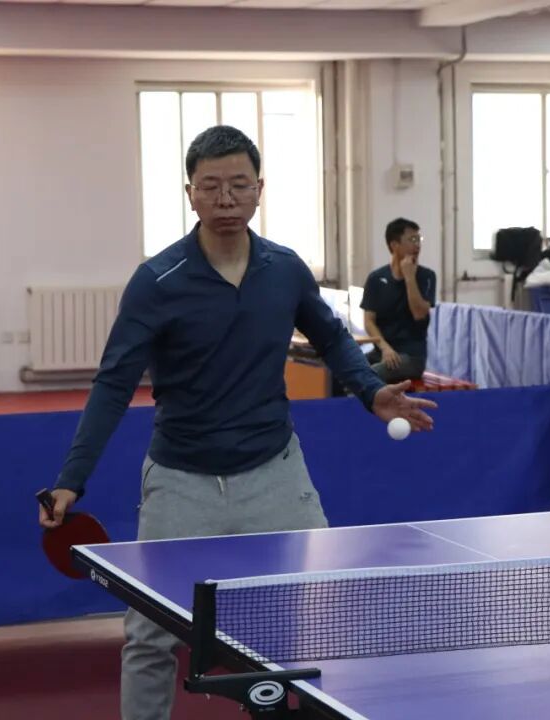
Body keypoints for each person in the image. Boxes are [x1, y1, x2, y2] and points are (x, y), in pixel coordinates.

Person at [37, 126, 436, 720]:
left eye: (239, 185)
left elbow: (330, 337)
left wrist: (370, 391)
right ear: (190, 194)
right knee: (149, 638)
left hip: (275, 474)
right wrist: (72, 478)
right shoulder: (157, 281)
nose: (226, 199)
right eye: (211, 186)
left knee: (317, 618)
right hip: (181, 482)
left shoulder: (285, 269)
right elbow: (114, 383)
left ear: (259, 190)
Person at [361, 218, 437, 382]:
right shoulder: (376, 278)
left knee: (369, 376)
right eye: (412, 240)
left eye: (419, 239)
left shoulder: (427, 276)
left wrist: (409, 277)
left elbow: (419, 313)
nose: (417, 245)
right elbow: (369, 321)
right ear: (394, 245)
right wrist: (385, 348)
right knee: (343, 371)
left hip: (411, 357)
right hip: (382, 352)